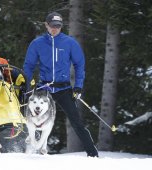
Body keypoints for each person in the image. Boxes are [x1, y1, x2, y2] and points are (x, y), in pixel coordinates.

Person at [23, 12, 99, 157]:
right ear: (46, 25)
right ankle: (32, 148)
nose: (55, 29)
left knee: (76, 122)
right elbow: (29, 65)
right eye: (52, 26)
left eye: (58, 26)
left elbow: (79, 64)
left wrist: (78, 86)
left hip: (63, 88)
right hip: (43, 88)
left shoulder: (69, 42)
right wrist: (28, 84)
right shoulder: (37, 43)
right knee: (32, 115)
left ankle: (93, 154)